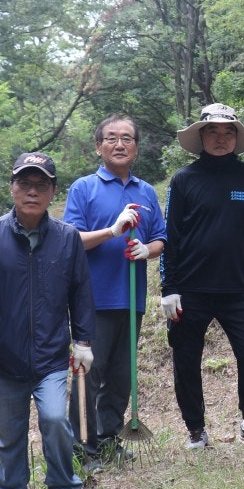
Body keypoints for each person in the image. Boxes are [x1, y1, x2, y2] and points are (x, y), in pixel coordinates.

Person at [159, 103, 244, 449]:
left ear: (236, 137)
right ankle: (196, 430)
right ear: (201, 137)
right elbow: (171, 236)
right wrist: (168, 288)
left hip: (236, 288)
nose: (220, 138)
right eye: (213, 132)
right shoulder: (184, 180)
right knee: (187, 361)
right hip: (189, 289)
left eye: (228, 132)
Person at [0, 152, 95, 489]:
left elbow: (81, 292)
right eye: (24, 184)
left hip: (51, 357)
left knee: (56, 421)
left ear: (53, 192)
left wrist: (84, 341)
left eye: (41, 185)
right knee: (9, 435)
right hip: (5, 360)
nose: (31, 192)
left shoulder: (67, 238)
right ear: (11, 188)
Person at [63, 115, 166, 468]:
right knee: (89, 376)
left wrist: (146, 250)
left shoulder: (147, 191)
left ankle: (108, 439)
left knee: (121, 377)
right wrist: (112, 230)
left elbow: (161, 238)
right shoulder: (83, 188)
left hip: (132, 299)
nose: (119, 144)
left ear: (136, 147)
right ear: (98, 146)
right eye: (111, 138)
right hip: (93, 300)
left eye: (127, 138)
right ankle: (82, 449)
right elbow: (71, 240)